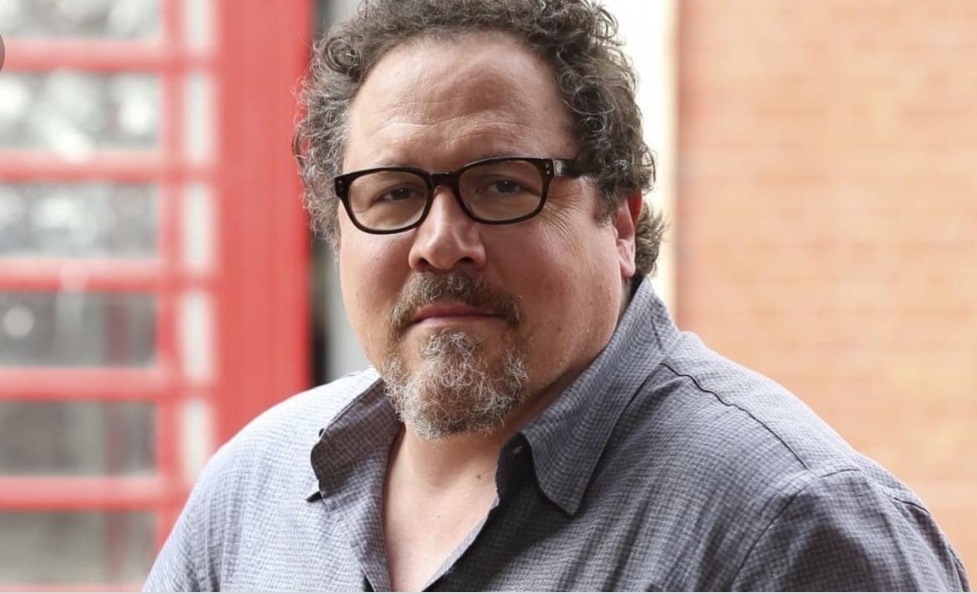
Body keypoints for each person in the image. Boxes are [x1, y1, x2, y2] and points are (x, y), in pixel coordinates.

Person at [144, 0, 970, 591]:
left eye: (502, 184)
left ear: (619, 218)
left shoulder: (786, 524)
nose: (440, 242)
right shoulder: (252, 491)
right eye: (393, 194)